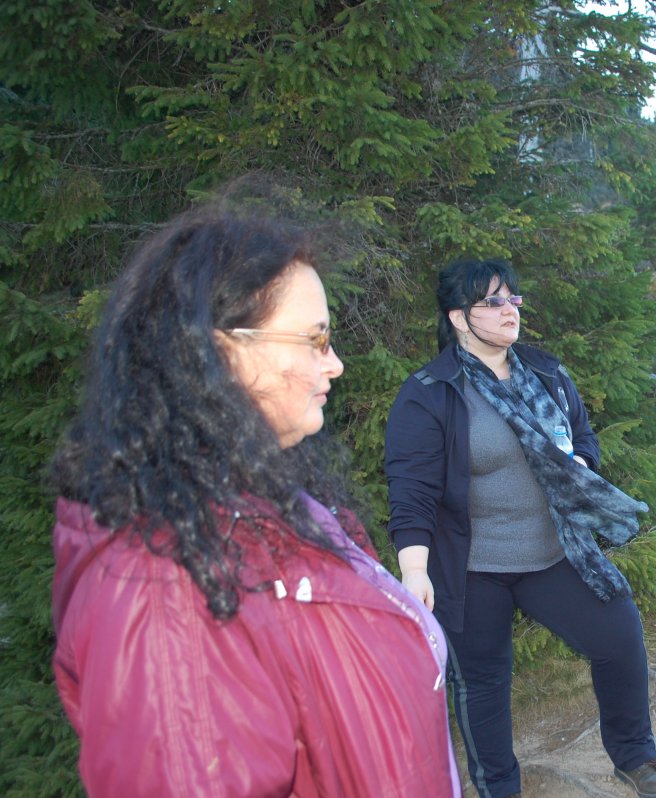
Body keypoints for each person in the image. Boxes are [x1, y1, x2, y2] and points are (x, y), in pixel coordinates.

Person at [49, 193, 461, 797]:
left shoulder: (273, 504)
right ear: (222, 353)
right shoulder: (166, 592)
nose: (335, 364)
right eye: (315, 340)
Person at [384, 258, 656, 798]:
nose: (509, 310)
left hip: (554, 553)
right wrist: (415, 570)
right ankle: (499, 788)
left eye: (512, 299)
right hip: (472, 569)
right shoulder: (430, 393)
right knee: (483, 683)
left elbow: (582, 436)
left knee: (618, 637)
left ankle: (635, 759)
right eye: (492, 302)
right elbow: (411, 491)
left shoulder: (546, 373)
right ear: (458, 317)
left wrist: (581, 464)